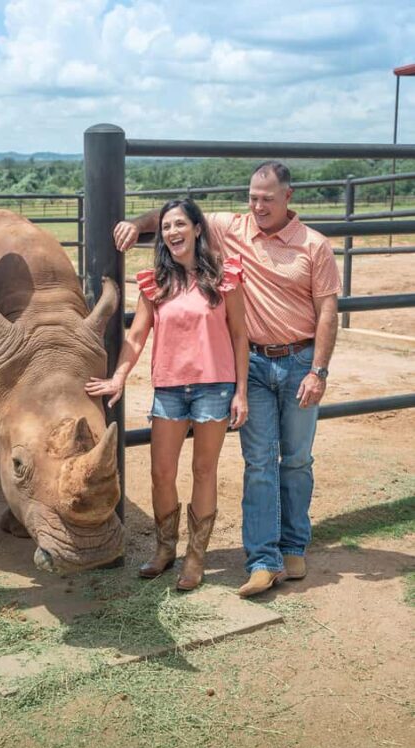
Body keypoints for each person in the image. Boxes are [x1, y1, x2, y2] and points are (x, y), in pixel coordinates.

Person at [113, 161, 341, 598]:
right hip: (252, 364)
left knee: (295, 460)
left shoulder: (314, 246)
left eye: (267, 199)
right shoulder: (231, 226)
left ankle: (293, 546)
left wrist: (319, 370)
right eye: (253, 197)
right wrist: (132, 224)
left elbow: (328, 310)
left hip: (298, 361)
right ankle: (263, 559)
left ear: (288, 197)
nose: (258, 206)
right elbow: (172, 217)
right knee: (258, 463)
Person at [86, 197, 249, 591]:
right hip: (170, 389)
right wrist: (119, 376)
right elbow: (137, 336)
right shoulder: (155, 283)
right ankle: (164, 550)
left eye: (180, 224)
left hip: (214, 386)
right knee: (161, 473)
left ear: (196, 229)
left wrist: (240, 391)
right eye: (166, 227)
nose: (173, 232)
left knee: (204, 470)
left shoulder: (226, 277)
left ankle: (195, 557)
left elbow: (240, 334)